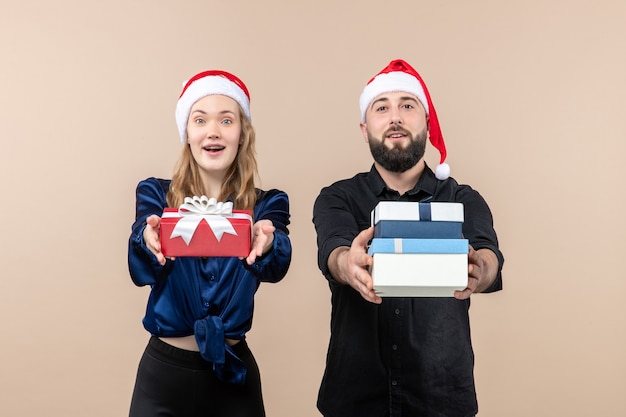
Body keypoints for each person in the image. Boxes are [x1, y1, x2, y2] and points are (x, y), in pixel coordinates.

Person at [312, 59, 504, 417]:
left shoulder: (462, 199)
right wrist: (347, 264)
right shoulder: (338, 197)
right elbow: (334, 251)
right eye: (381, 107)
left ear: (427, 122)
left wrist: (482, 268)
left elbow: (489, 256)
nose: (394, 116)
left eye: (407, 105)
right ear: (364, 127)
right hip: (354, 398)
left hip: (442, 396)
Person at [128, 69, 292, 417]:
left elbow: (277, 265)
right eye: (200, 119)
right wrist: (147, 237)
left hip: (234, 380)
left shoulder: (267, 203)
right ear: (187, 133)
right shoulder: (156, 193)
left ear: (241, 134)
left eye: (226, 120)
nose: (213, 131)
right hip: (163, 381)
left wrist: (268, 243)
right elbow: (140, 257)